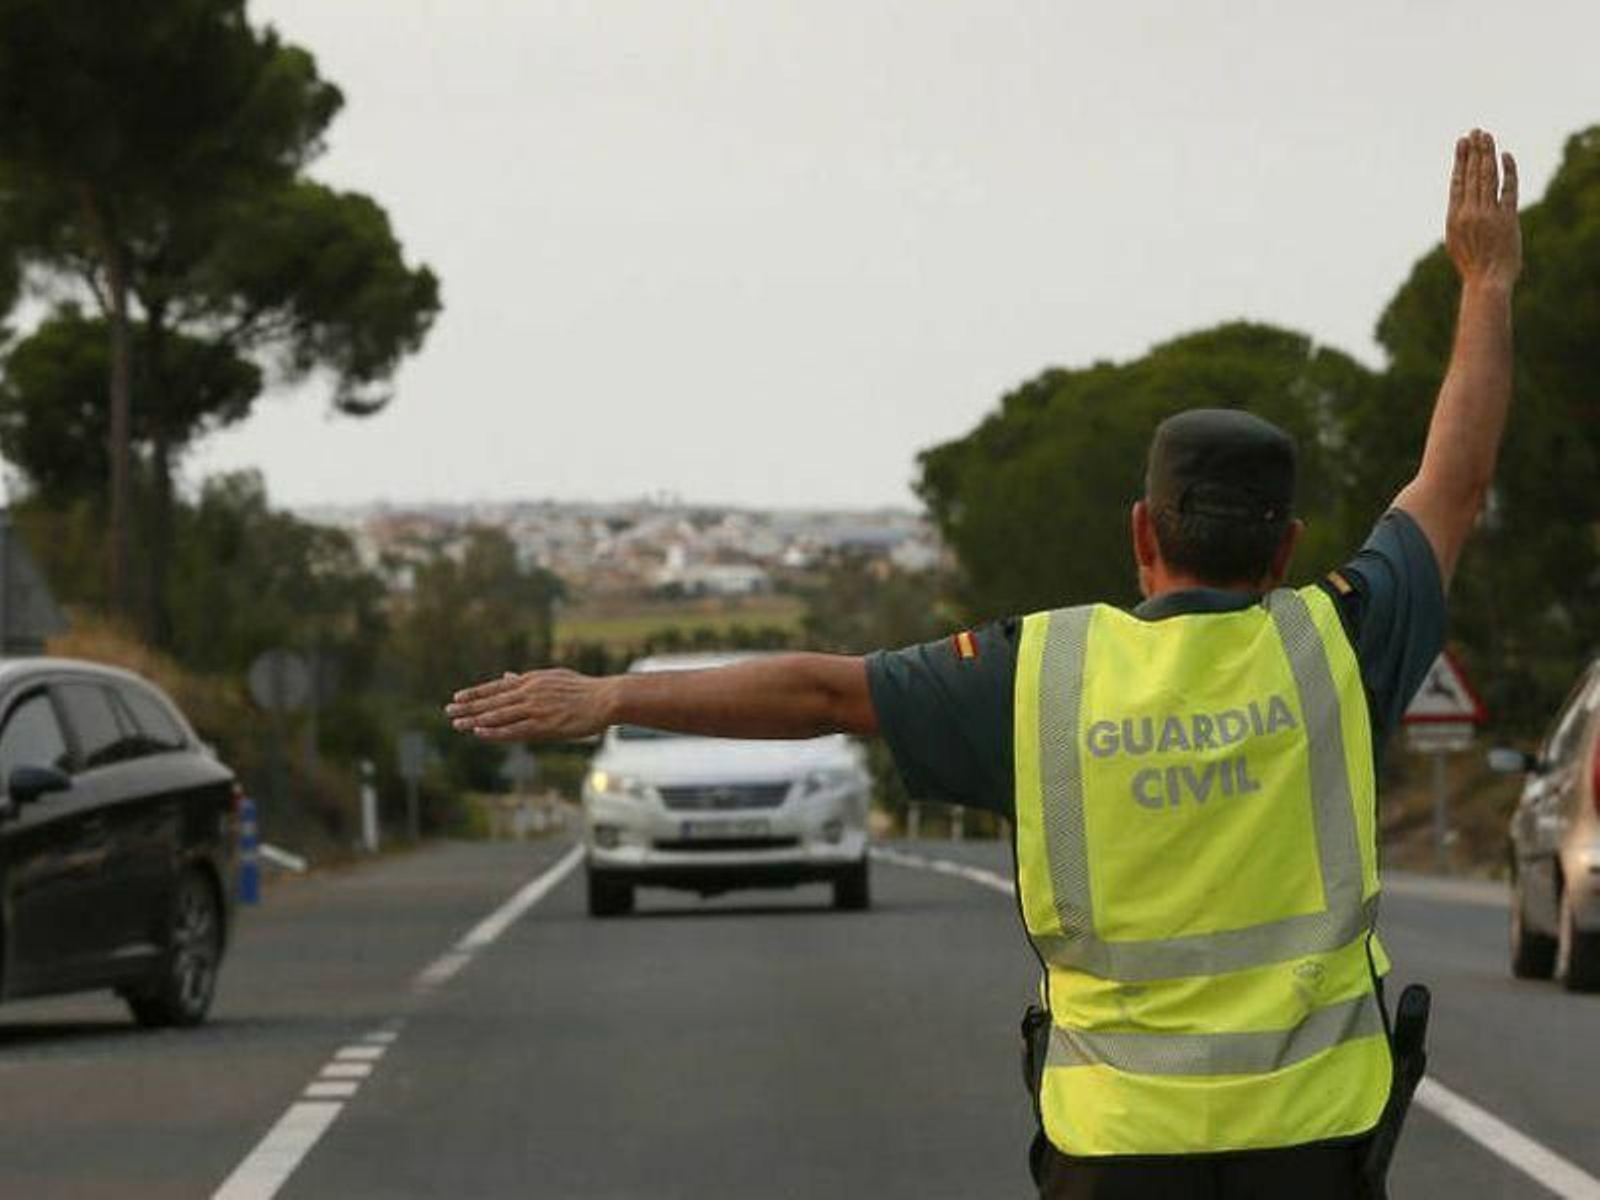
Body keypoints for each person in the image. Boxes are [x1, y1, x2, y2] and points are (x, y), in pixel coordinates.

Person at [445, 129, 1521, 1199]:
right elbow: (1453, 481)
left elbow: (821, 690)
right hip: (1311, 1146)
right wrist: (1485, 282)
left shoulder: (1037, 673)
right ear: (1284, 548)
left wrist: (613, 694)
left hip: (1112, 1151)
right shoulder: (1337, 640)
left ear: (1141, 531)